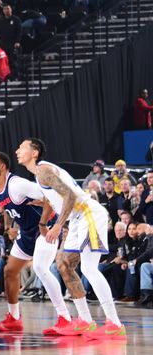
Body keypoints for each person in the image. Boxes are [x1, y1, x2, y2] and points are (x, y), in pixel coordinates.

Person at [17, 138, 126, 339]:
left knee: (89, 268)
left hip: (88, 213)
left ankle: (115, 324)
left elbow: (70, 196)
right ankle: (85, 320)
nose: (17, 150)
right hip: (76, 218)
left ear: (34, 152)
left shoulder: (43, 170)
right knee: (64, 264)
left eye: (22, 147)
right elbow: (55, 199)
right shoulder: (39, 176)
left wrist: (57, 225)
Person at [0, 152, 73, 335]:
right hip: (25, 233)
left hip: (44, 229)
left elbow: (50, 196)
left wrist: (43, 223)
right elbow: (6, 207)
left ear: (2, 166)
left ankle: (65, 318)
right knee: (10, 272)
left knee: (41, 269)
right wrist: (8, 227)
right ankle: (14, 319)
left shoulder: (17, 184)